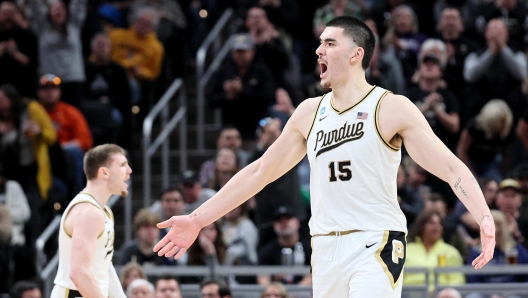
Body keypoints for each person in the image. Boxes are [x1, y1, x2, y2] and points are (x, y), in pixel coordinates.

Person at [155, 16, 496, 297]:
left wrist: (483, 216)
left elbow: (451, 167)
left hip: (375, 240)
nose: (319, 50)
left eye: (330, 43)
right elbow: (260, 171)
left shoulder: (390, 107)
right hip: (324, 247)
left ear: (355, 54)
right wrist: (198, 219)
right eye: (319, 43)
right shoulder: (309, 112)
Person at [50, 144, 131, 298]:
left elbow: (103, 264)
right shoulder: (88, 213)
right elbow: (79, 273)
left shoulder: (103, 211)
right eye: (122, 165)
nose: (129, 171)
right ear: (104, 172)